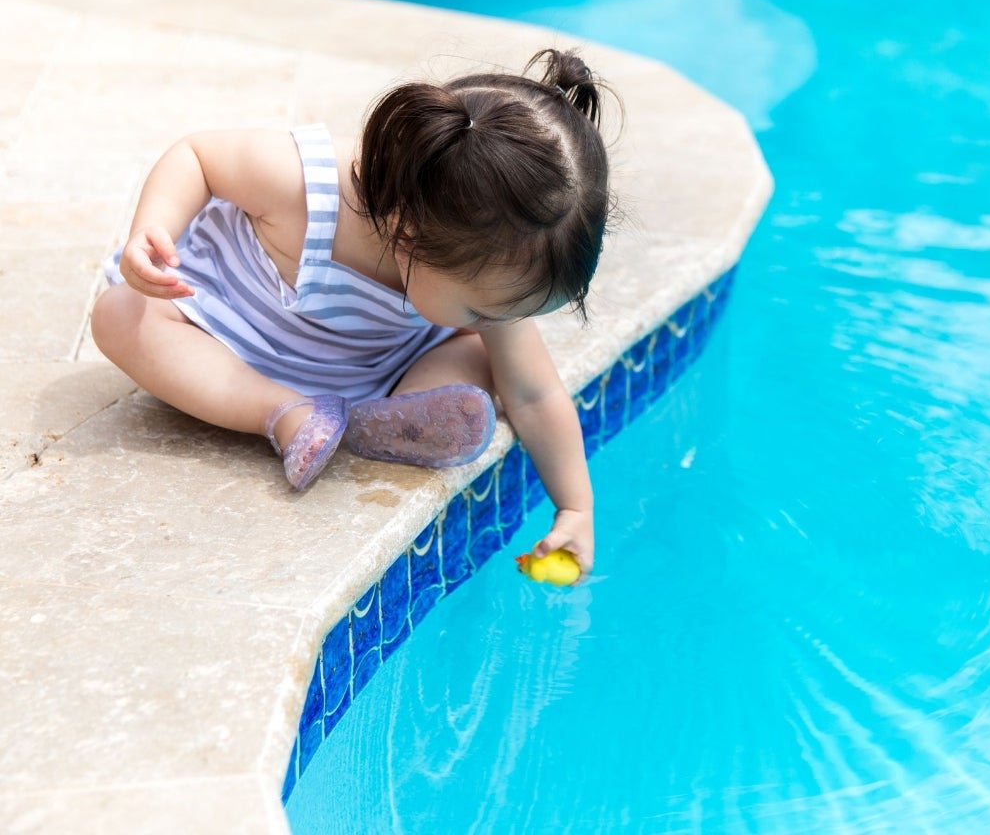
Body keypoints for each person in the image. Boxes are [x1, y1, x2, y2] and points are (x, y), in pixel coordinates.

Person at [90, 49, 613, 577]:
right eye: (483, 309)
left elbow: (534, 392)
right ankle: (281, 411)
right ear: (410, 238)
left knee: (478, 356)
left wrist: (576, 506)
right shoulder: (302, 183)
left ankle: (391, 414)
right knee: (121, 316)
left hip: (373, 363)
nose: (498, 323)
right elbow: (196, 156)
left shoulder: (479, 259)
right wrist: (151, 229)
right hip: (231, 336)